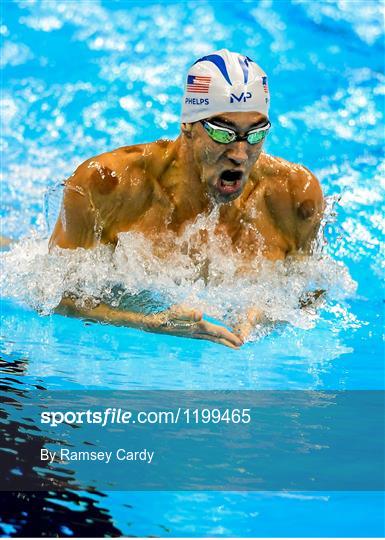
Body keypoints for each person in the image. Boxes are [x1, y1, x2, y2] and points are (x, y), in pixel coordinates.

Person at [50, 49, 324, 349]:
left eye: (255, 135)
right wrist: (147, 322)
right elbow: (53, 295)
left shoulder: (295, 198)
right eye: (223, 133)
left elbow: (310, 293)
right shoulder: (107, 186)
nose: (240, 154)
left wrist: (263, 314)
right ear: (188, 124)